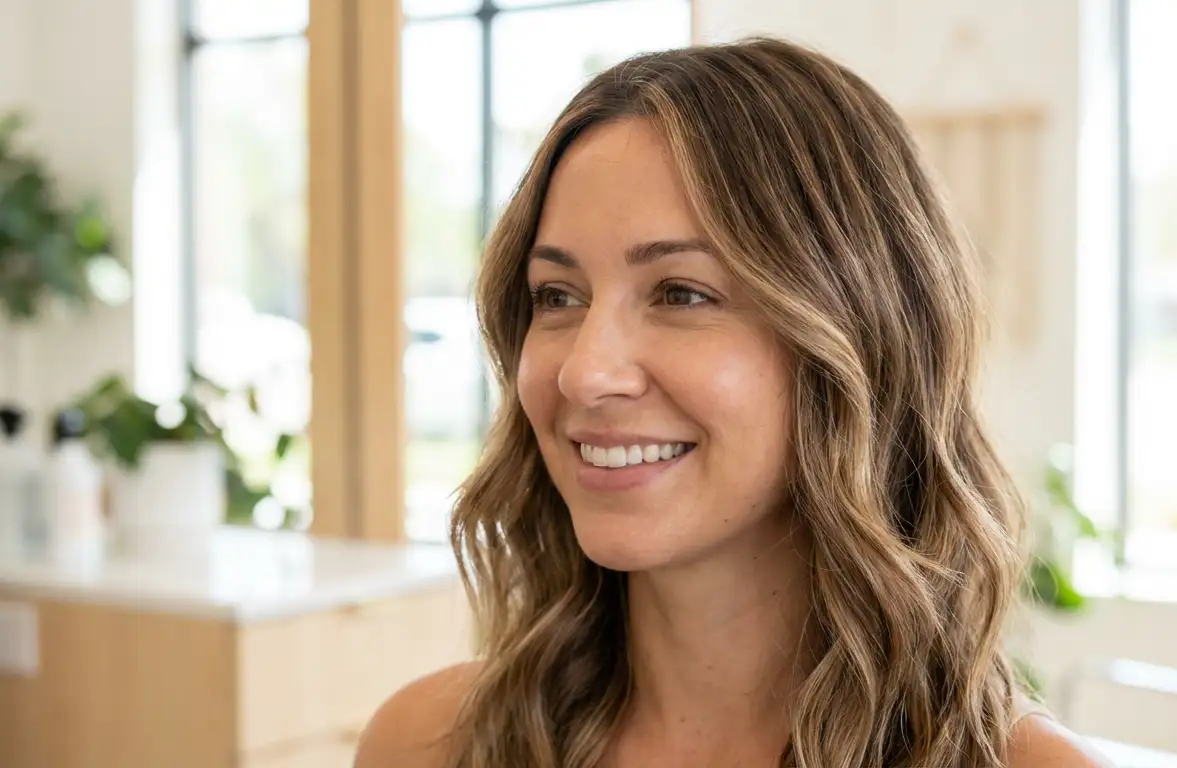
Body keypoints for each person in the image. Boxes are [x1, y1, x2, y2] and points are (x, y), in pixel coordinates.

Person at [356, 37, 1112, 768]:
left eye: (681, 293)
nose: (585, 374)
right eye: (557, 296)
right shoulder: (424, 746)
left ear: (861, 337)